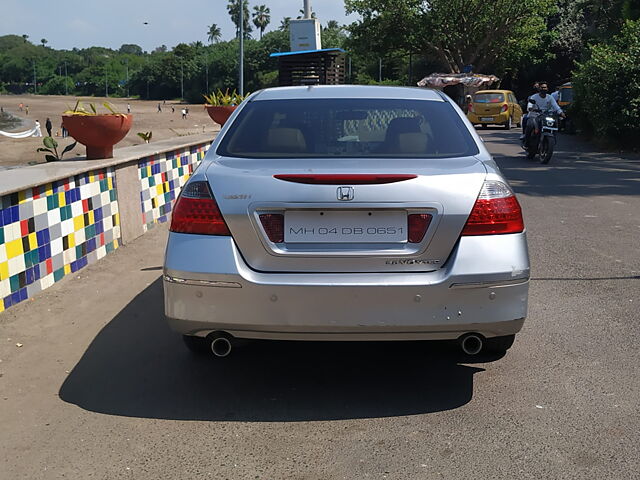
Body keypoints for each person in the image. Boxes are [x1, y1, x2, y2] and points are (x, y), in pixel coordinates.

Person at [523, 81, 565, 147]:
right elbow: (530, 105)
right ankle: (527, 141)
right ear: (539, 88)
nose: (544, 89)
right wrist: (531, 108)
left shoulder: (550, 97)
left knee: (554, 124)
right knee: (530, 125)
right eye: (542, 87)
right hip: (534, 116)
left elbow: (555, 106)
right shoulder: (534, 97)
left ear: (547, 88)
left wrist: (561, 112)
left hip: (545, 116)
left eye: (545, 87)